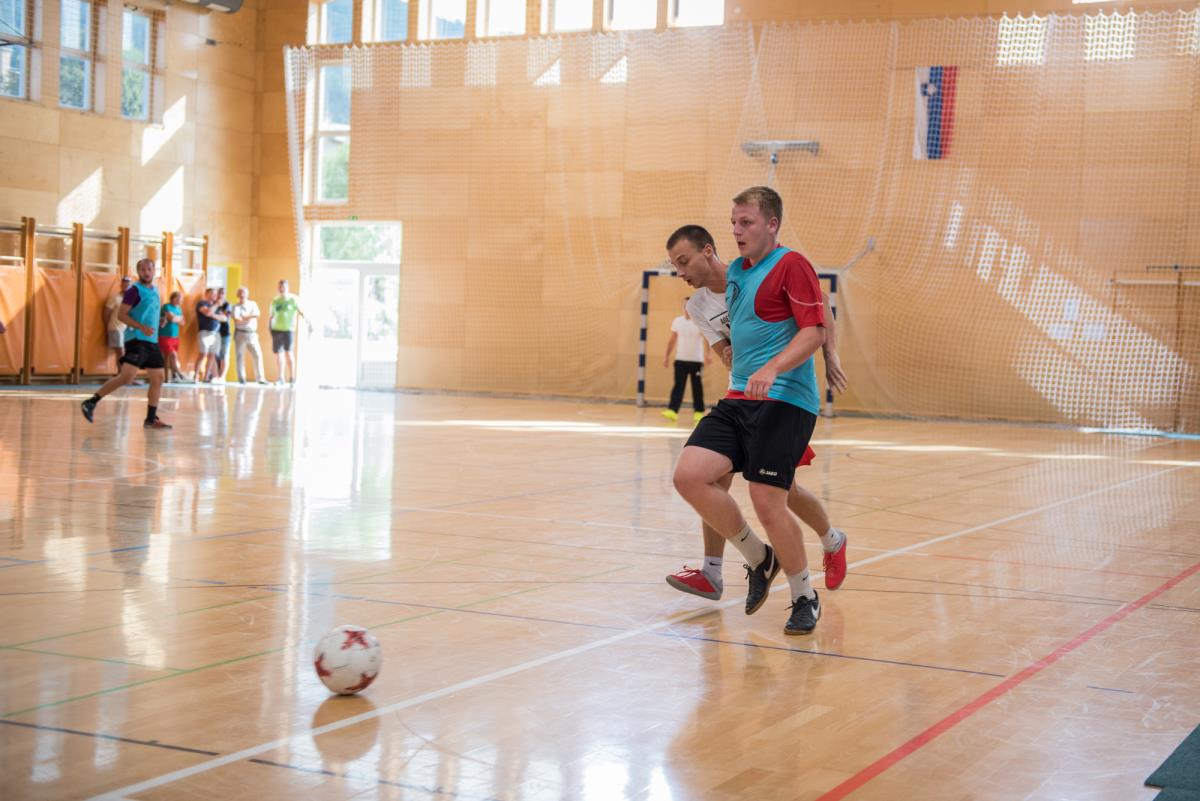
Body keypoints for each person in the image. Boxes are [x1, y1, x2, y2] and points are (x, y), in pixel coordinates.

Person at [672, 187, 835, 636]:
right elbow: (738, 330)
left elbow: (815, 329)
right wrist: (731, 354)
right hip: (740, 398)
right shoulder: (737, 275)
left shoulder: (791, 264)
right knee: (690, 475)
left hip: (786, 398)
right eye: (733, 223)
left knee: (769, 499)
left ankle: (804, 595)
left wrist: (777, 366)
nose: (737, 231)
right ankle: (759, 558)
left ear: (771, 224)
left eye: (745, 222)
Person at [80, 258, 171, 429]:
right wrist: (141, 327)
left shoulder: (155, 290)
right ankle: (91, 402)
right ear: (138, 272)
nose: (146, 272)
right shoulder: (133, 291)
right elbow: (122, 315)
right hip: (136, 339)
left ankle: (151, 419)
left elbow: (149, 313)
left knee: (158, 378)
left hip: (151, 341)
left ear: (154, 271)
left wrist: (160, 321)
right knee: (127, 377)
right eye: (142, 269)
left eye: (149, 269)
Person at [662, 299, 710, 423]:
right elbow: (672, 340)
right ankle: (673, 410)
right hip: (680, 360)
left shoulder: (699, 321)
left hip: (696, 361)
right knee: (678, 385)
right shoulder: (677, 321)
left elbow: (706, 339)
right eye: (685, 306)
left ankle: (699, 411)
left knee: (697, 387)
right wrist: (666, 356)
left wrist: (708, 354)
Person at [268, 279, 310, 385]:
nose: (281, 289)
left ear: (287, 288)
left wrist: (308, 321)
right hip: (276, 330)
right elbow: (271, 316)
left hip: (289, 330)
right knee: (279, 354)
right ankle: (280, 378)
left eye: (283, 287)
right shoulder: (275, 301)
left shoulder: (293, 299)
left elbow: (301, 311)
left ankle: (292, 378)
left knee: (289, 354)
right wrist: (270, 328)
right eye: (280, 287)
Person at [232, 286, 268, 384]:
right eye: (240, 293)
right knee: (240, 356)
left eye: (244, 293)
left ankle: (260, 378)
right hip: (240, 333)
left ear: (247, 294)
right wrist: (248, 317)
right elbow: (236, 319)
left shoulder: (253, 304)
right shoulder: (236, 307)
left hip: (252, 334)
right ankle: (241, 378)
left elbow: (257, 314)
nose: (242, 295)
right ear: (237, 295)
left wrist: (245, 316)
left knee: (257, 355)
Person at [194, 288, 225, 383]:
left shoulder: (216, 307)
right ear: (206, 294)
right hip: (204, 332)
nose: (214, 295)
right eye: (212, 293)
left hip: (215, 334)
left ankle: (206, 377)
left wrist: (213, 315)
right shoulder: (202, 303)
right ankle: (196, 376)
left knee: (212, 356)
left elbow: (224, 318)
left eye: (215, 294)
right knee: (203, 354)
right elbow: (207, 312)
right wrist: (215, 306)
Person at [104, 275, 133, 370]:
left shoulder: (131, 300)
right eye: (124, 284)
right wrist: (106, 327)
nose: (126, 286)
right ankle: (122, 374)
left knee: (124, 352)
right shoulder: (115, 297)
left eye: (128, 285)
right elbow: (106, 313)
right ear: (121, 285)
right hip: (115, 327)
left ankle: (122, 374)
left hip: (126, 329)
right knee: (120, 351)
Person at [158, 291, 185, 382]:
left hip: (174, 336)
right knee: (170, 355)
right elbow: (172, 318)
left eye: (181, 298)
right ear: (173, 298)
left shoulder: (179, 309)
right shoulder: (166, 306)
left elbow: (183, 322)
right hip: (165, 335)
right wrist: (178, 318)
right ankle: (178, 373)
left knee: (171, 356)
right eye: (179, 298)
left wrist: (176, 318)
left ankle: (171, 377)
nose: (181, 300)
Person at [213, 287, 233, 384]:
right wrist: (218, 314)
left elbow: (225, 317)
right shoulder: (214, 304)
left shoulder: (227, 304)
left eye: (223, 293)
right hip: (215, 333)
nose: (221, 295)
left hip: (225, 333)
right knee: (215, 355)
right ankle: (216, 376)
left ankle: (222, 377)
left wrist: (216, 315)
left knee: (224, 355)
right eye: (219, 293)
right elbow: (211, 314)